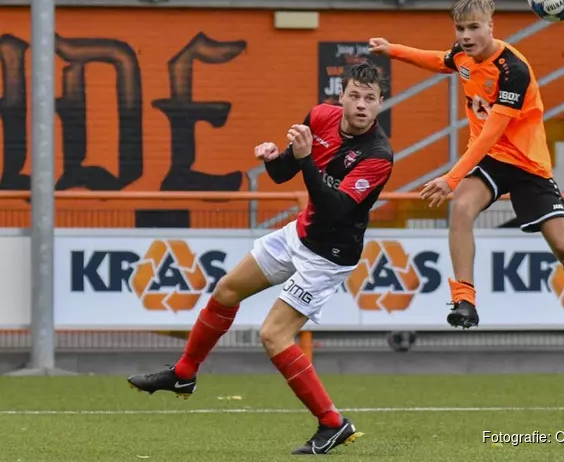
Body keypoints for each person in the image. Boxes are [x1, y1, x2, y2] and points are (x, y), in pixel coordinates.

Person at [127, 62, 394, 455]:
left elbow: (335, 208)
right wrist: (274, 157)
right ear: (341, 96)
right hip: (299, 234)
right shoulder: (321, 116)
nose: (360, 105)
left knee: (273, 335)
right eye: (354, 95)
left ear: (380, 104)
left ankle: (333, 423)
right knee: (227, 289)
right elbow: (283, 174)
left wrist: (303, 161)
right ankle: (184, 374)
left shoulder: (378, 155)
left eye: (369, 99)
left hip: (329, 255)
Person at [369, 0, 564, 353]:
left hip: (527, 165)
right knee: (461, 208)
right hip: (490, 159)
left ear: (491, 26)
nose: (466, 35)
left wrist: (451, 177)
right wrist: (393, 50)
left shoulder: (513, 70)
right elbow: (439, 60)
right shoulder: (462, 55)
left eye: (474, 27)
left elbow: (492, 131)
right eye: (460, 28)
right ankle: (464, 301)